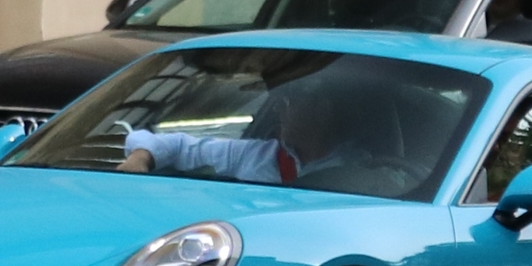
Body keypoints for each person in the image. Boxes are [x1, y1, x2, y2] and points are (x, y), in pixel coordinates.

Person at [118, 84, 358, 185]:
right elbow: (179, 145)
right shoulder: (251, 154)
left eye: (288, 101)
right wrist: (140, 158)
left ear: (322, 110)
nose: (277, 109)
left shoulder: (360, 171)